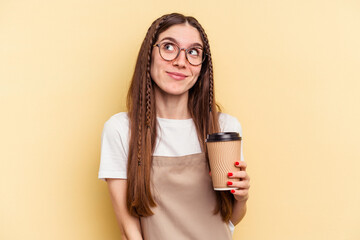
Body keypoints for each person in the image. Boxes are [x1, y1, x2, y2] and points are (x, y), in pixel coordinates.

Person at [98, 13, 250, 240]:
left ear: (201, 67)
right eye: (169, 47)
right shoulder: (122, 129)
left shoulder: (223, 128)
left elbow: (229, 219)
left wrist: (242, 198)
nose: (181, 61)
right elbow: (128, 228)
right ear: (149, 55)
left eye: (193, 52)